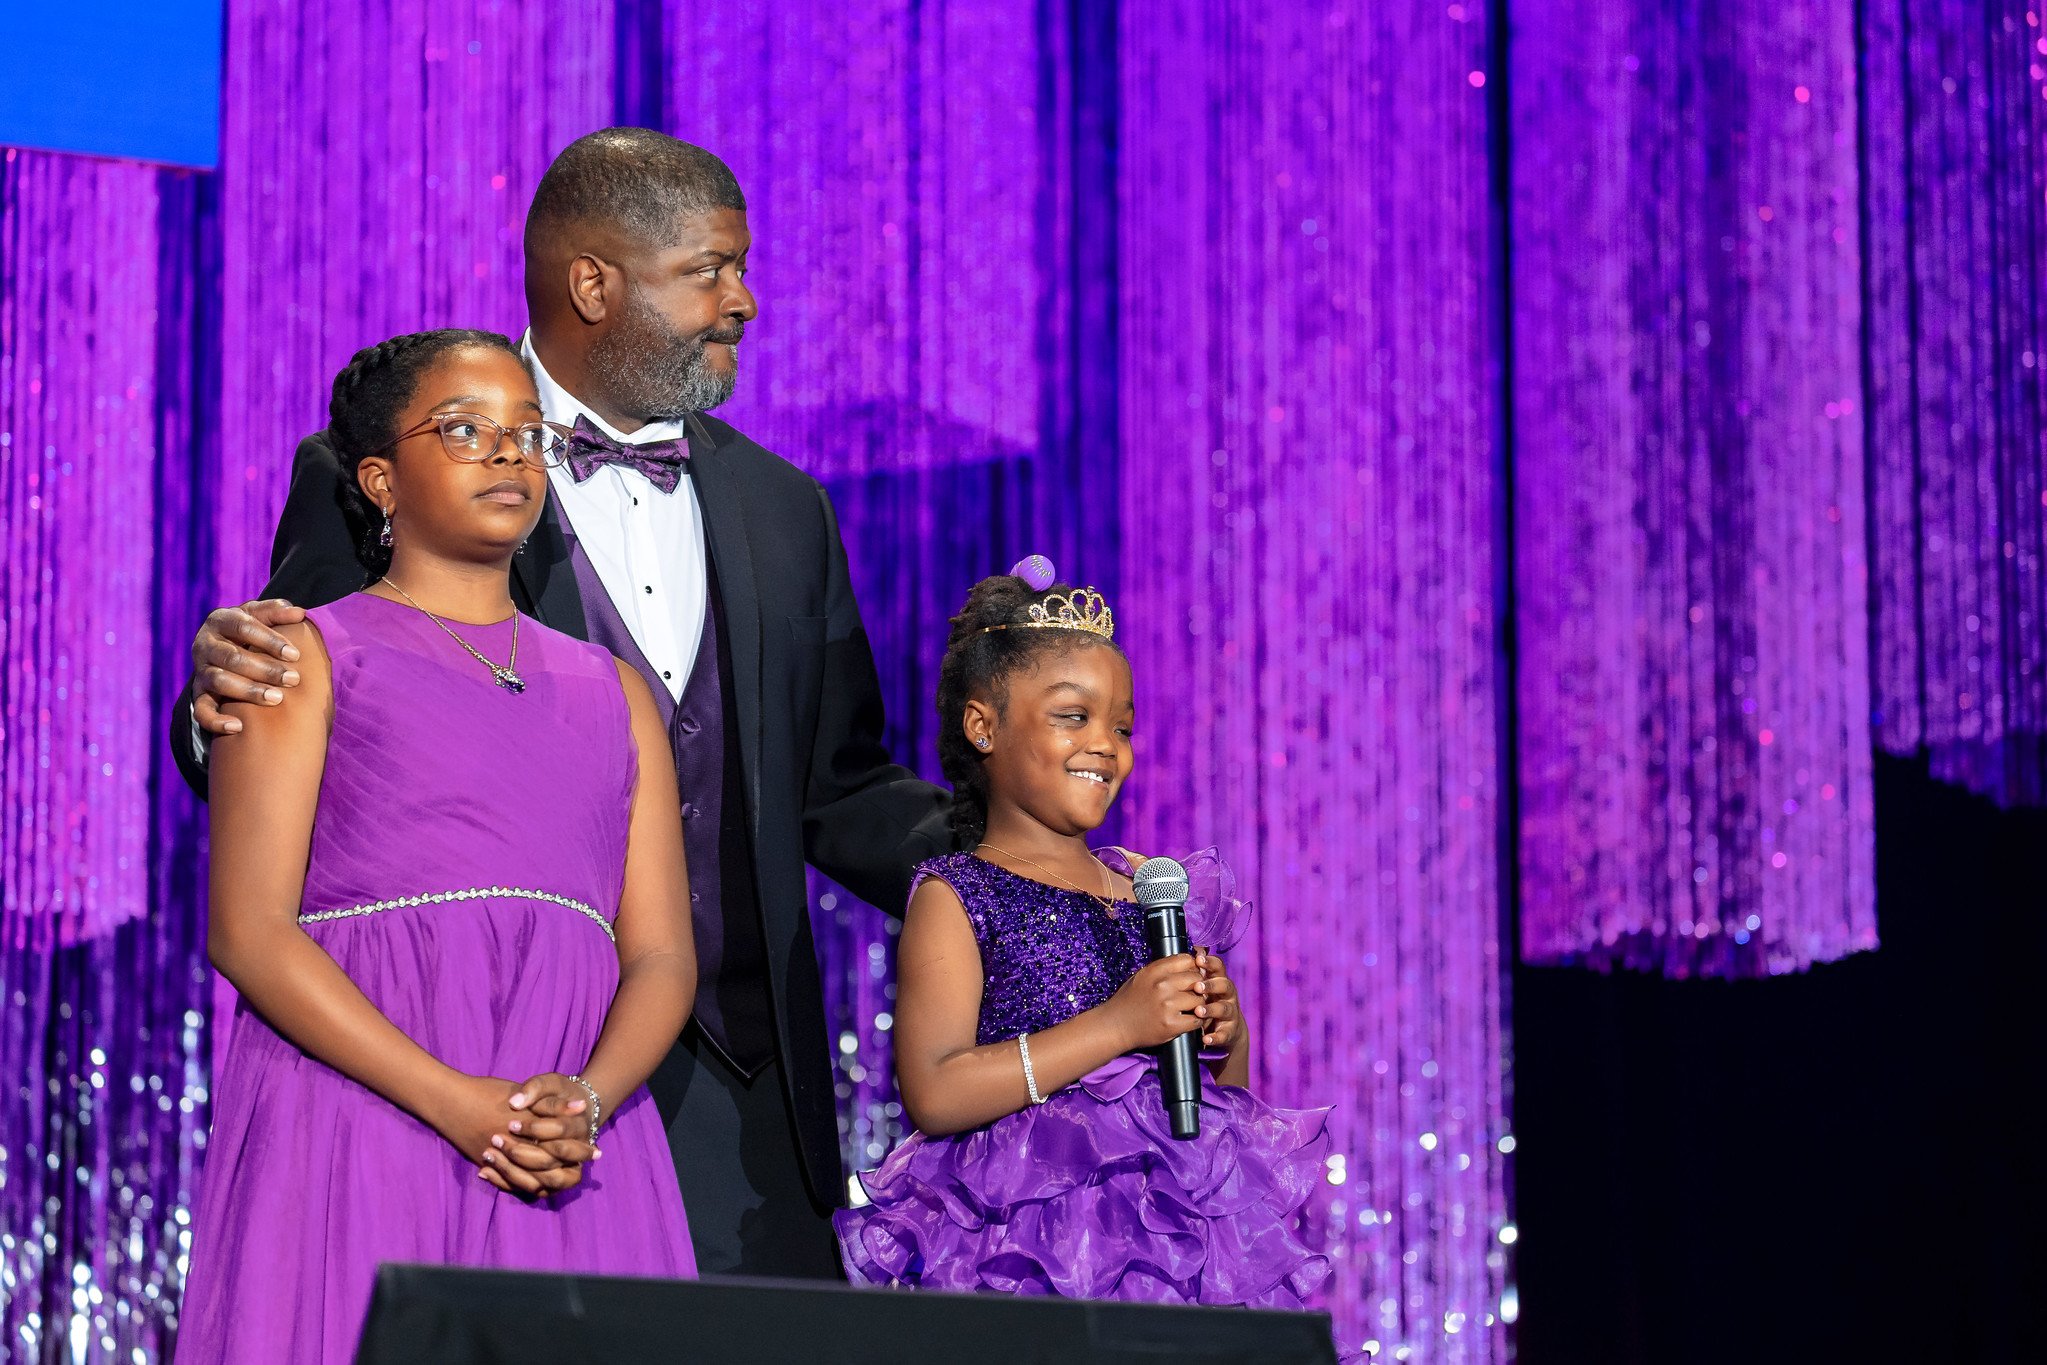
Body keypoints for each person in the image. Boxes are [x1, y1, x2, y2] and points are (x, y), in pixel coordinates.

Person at [170, 129, 949, 1278]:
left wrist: (1026, 868)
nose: (744, 299)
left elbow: (841, 787)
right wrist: (213, 695)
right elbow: (296, 687)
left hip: (745, 1091)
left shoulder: (786, 511)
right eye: (710, 270)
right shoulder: (378, 468)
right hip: (487, 1075)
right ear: (594, 283)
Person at [179, 330, 696, 1364]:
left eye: (527, 434)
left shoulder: (616, 692)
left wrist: (585, 1100)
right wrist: (455, 1102)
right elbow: (248, 932)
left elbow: (661, 954)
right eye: (465, 431)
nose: (508, 455)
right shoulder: (303, 656)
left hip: (573, 1140)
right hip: (363, 1112)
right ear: (379, 480)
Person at [834, 564, 1335, 1315]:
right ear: (984, 726)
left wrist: (1221, 1034)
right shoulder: (956, 893)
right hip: (1026, 1256)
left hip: (1173, 1254)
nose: (1105, 745)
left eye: (1122, 726)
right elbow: (935, 1092)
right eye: (1073, 716)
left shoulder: (1145, 890)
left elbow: (1221, 1108)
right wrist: (1116, 1024)